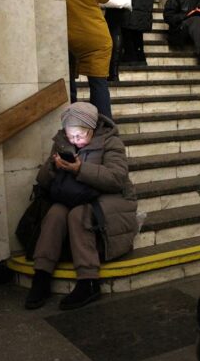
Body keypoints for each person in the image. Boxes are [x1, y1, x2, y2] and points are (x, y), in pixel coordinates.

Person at [24, 102, 138, 311]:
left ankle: (89, 280)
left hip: (113, 198)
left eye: (79, 136)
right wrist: (52, 166)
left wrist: (80, 169)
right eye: (70, 136)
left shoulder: (111, 142)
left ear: (91, 129)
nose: (74, 141)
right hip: (77, 194)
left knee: (80, 214)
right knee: (55, 213)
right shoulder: (62, 142)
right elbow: (43, 181)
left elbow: (116, 179)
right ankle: (41, 276)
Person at [64, 0, 114, 120]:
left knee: (68, 85)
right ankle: (105, 129)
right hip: (95, 36)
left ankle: (71, 125)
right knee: (98, 83)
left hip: (67, 34)